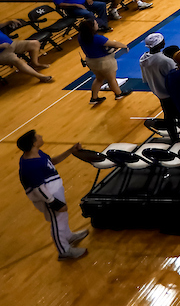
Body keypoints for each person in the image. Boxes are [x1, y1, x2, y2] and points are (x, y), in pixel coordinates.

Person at [17, 130, 90, 260]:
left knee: (62, 217)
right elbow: (38, 189)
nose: (41, 136)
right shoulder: (30, 165)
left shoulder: (36, 154)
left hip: (54, 191)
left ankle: (67, 236)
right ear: (34, 143)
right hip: (48, 197)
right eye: (38, 136)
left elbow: (52, 162)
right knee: (57, 220)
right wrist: (53, 203)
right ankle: (64, 251)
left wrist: (70, 151)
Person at [76, 19, 127, 105]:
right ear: (92, 28)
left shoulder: (81, 37)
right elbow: (114, 44)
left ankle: (94, 98)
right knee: (111, 79)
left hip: (91, 61)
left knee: (99, 79)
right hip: (104, 61)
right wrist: (124, 46)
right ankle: (118, 94)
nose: (97, 24)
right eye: (95, 23)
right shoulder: (98, 38)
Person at [138, 33, 177, 138]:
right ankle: (176, 136)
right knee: (177, 116)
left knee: (168, 114)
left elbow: (145, 78)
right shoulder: (165, 60)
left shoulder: (143, 58)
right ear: (159, 44)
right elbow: (175, 76)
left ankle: (173, 135)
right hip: (170, 93)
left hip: (157, 90)